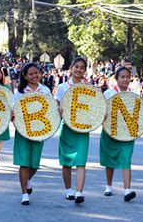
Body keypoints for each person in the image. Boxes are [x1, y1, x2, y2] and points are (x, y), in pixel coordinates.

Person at [13, 62, 52, 205]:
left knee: (34, 164)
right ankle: (24, 193)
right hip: (23, 131)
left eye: (37, 73)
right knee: (24, 163)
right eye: (31, 74)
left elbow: (51, 110)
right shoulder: (20, 92)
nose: (34, 76)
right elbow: (14, 110)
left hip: (39, 132)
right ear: (25, 76)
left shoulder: (45, 90)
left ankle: (28, 179)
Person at [100, 66, 137, 202]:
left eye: (128, 76)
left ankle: (127, 190)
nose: (126, 79)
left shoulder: (134, 94)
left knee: (126, 160)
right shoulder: (108, 93)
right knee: (110, 159)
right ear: (116, 79)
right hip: (110, 132)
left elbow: (140, 113)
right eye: (122, 77)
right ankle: (109, 186)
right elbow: (101, 111)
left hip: (127, 133)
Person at [55, 57, 88, 204]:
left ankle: (79, 192)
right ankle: (69, 190)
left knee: (81, 161)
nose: (79, 70)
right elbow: (57, 106)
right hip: (67, 128)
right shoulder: (62, 87)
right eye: (76, 67)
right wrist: (59, 110)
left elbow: (94, 108)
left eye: (82, 67)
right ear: (71, 68)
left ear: (84, 71)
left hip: (82, 129)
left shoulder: (89, 88)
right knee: (67, 161)